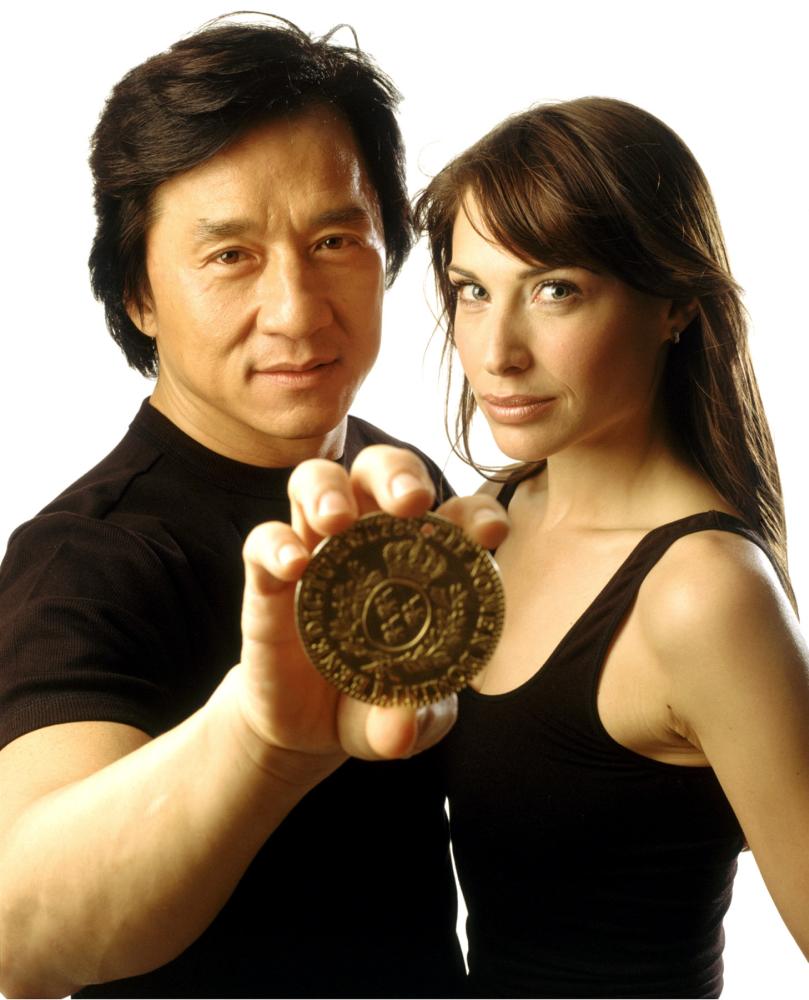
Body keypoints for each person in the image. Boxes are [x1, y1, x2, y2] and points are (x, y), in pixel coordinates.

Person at [0, 17, 508, 999]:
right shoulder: (88, 556)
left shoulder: (397, 483)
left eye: (333, 240)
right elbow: (17, 931)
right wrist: (262, 743)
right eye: (230, 254)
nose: (297, 310)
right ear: (138, 295)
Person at [413, 97, 809, 997]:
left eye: (554, 289)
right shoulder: (485, 520)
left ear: (674, 304)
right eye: (472, 290)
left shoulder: (703, 593)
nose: (497, 352)